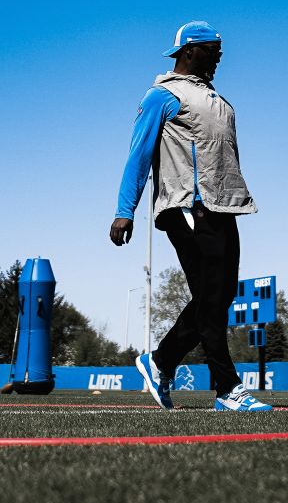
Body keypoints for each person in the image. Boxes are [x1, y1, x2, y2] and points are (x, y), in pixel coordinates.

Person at [110, 21, 270, 412]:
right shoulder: (161, 96)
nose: (218, 58)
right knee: (211, 297)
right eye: (212, 51)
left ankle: (160, 361)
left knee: (217, 297)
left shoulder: (219, 101)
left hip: (224, 206)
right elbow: (139, 155)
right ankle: (228, 389)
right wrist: (123, 210)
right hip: (186, 208)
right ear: (189, 51)